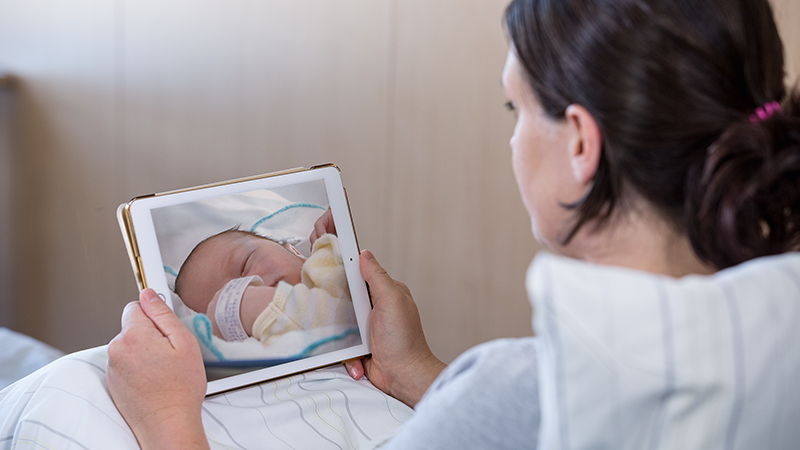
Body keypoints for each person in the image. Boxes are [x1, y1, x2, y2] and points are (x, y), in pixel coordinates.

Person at [106, 0, 800, 448]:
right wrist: (419, 373)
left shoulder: (517, 386)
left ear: (582, 144)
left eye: (515, 110)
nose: (512, 140)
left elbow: (518, 410)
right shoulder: (777, 337)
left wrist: (168, 421)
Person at [174, 225, 356, 345]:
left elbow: (346, 321)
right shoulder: (271, 347)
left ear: (290, 249)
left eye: (245, 264)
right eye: (229, 302)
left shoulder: (329, 258)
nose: (251, 286)